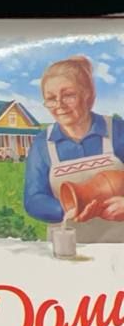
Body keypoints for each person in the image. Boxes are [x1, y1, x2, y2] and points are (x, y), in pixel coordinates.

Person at [24, 54, 124, 243]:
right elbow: (33, 199)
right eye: (51, 98)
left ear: (87, 94)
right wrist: (71, 208)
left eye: (68, 95)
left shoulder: (118, 131)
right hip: (67, 244)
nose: (59, 105)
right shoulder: (42, 144)